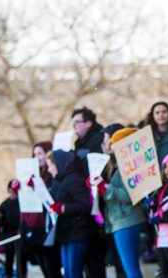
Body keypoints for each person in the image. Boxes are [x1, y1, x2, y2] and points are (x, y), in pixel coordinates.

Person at [89, 127, 146, 278]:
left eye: (113, 142)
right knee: (129, 268)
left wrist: (105, 188)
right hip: (120, 220)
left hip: (127, 220)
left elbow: (128, 195)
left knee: (131, 269)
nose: (109, 145)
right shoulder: (117, 166)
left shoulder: (130, 167)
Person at [71, 107, 107, 278]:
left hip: (99, 202)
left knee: (96, 256)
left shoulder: (98, 139)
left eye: (77, 122)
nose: (74, 127)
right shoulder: (78, 143)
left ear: (88, 123)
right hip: (84, 202)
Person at [47, 150, 94, 278]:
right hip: (66, 234)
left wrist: (63, 208)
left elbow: (85, 205)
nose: (49, 170)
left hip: (78, 233)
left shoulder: (74, 180)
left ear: (59, 164)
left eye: (51, 166)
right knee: (67, 273)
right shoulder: (58, 182)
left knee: (74, 273)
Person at [21, 141, 63, 278]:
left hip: (48, 227)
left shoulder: (53, 175)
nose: (37, 157)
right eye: (34, 154)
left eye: (40, 153)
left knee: (52, 268)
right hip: (33, 227)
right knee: (45, 269)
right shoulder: (31, 175)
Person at [0, 180, 27, 278]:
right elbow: (0, 220)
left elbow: (26, 218)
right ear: (9, 190)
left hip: (19, 235)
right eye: (12, 191)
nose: (14, 194)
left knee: (21, 257)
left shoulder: (23, 203)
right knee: (9, 256)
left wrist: (21, 228)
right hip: (8, 235)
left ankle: (22, 274)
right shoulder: (5, 204)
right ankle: (8, 274)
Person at [146, 102, 168, 167]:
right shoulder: (147, 137)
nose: (161, 115)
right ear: (152, 116)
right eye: (157, 113)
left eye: (164, 112)